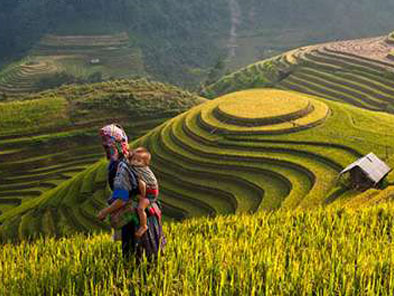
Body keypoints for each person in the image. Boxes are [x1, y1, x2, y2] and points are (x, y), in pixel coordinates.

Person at [97, 124, 165, 262]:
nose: (107, 149)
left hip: (136, 218)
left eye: (108, 146)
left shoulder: (122, 167)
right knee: (150, 258)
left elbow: (122, 198)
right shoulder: (132, 159)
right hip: (145, 212)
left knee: (137, 260)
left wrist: (105, 212)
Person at [129, 147, 159, 238]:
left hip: (150, 193)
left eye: (138, 160)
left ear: (145, 163)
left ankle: (143, 226)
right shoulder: (138, 167)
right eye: (133, 159)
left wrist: (143, 196)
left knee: (140, 208)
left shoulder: (140, 171)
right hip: (150, 188)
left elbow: (142, 185)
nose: (134, 162)